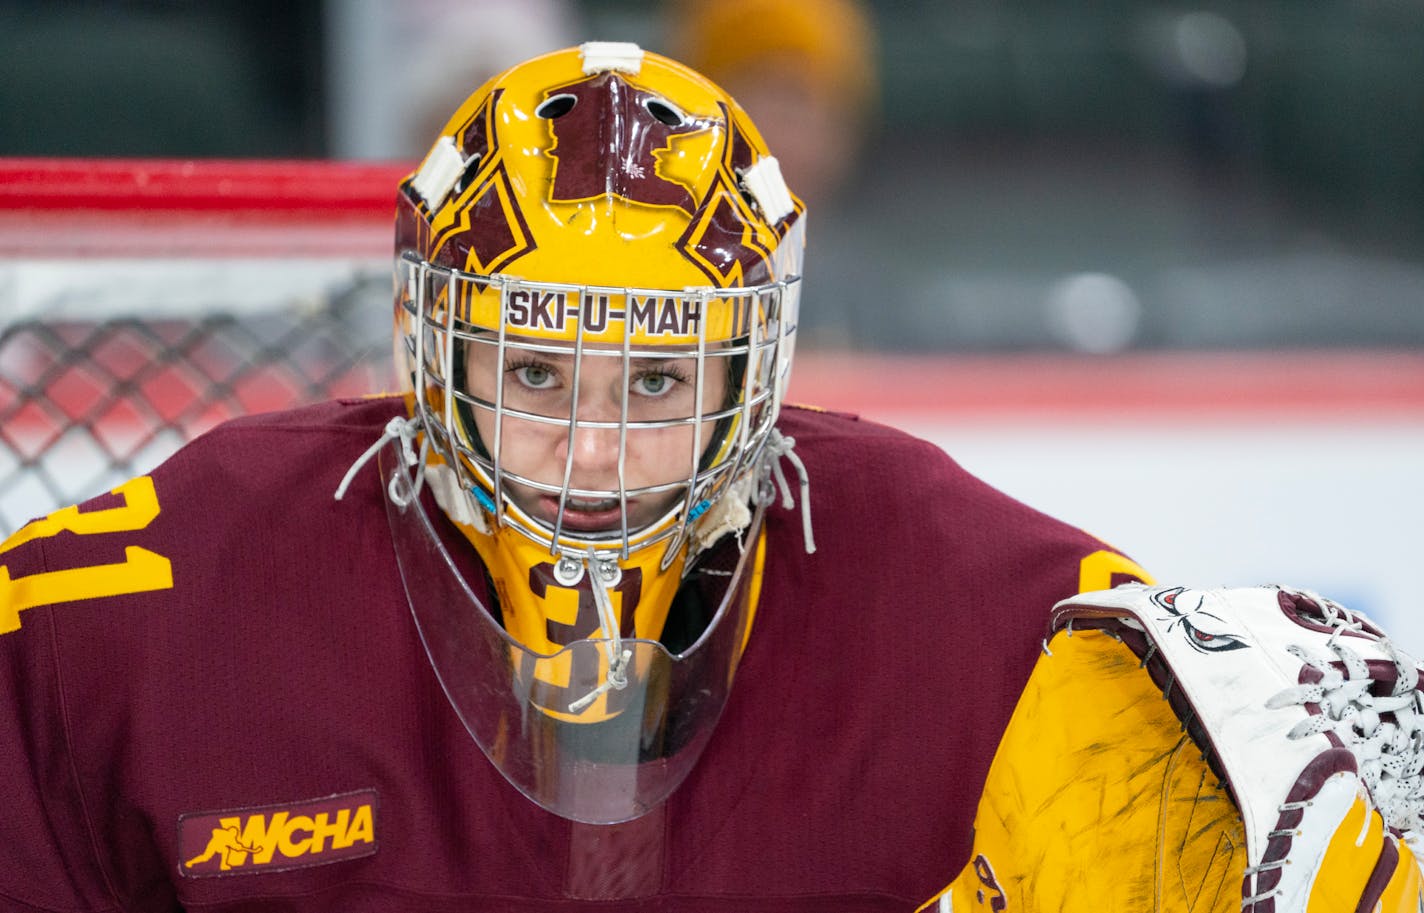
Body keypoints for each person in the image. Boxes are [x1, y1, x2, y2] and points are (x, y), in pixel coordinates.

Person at [0, 43, 1156, 909]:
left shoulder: (977, 602)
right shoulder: (166, 593)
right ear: (433, 348)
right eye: (538, 374)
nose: (592, 451)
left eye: (654, 383)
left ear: (753, 371)